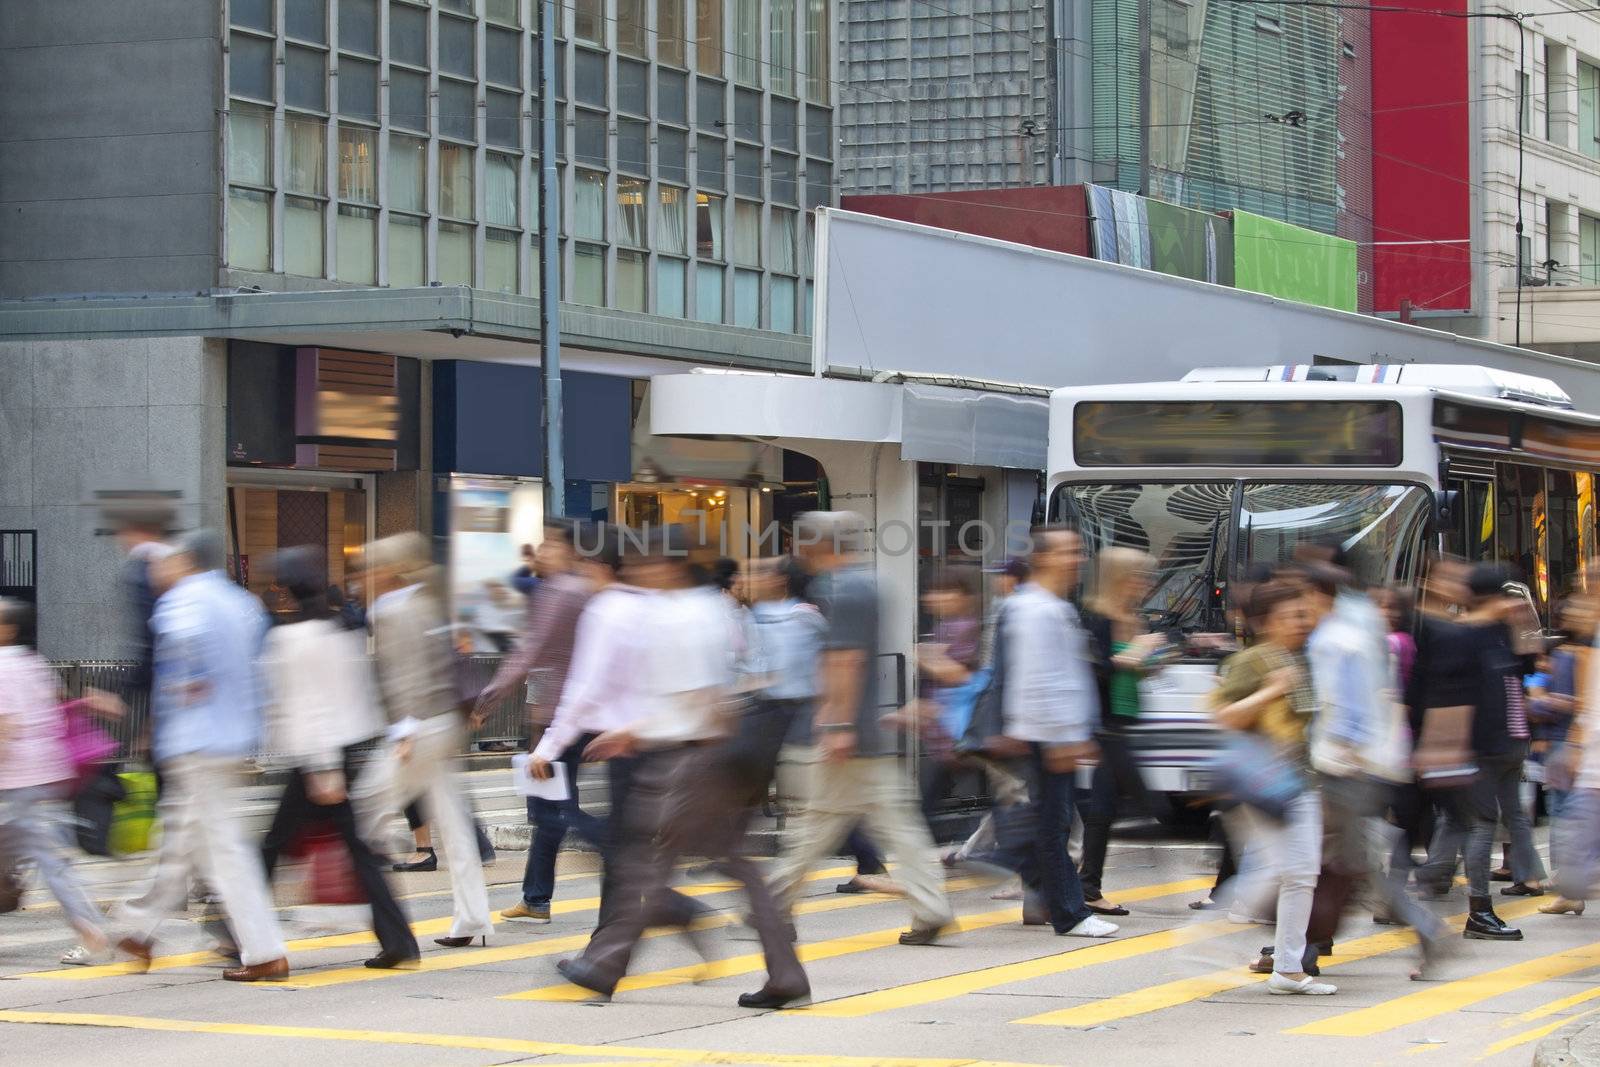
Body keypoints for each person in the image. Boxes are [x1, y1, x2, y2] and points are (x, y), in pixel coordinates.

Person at [556, 527, 810, 1009]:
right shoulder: (709, 608)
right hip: (715, 757)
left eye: (642, 565)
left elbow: (699, 701)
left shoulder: (683, 616)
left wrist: (634, 733)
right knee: (726, 866)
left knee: (642, 863)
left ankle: (605, 963)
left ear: (668, 565)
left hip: (691, 759)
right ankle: (785, 972)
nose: (634, 574)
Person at [765, 512, 955, 944]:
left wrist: (838, 723)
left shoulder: (839, 588)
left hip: (846, 733)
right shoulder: (868, 584)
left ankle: (772, 907)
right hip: (868, 733)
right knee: (899, 826)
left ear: (815, 544)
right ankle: (931, 909)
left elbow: (844, 660)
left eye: (799, 540)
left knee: (815, 826)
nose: (795, 548)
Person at [111, 530, 290, 981]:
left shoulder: (182, 603)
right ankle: (138, 928)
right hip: (233, 737)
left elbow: (182, 665)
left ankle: (265, 950)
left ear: (183, 563)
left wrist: (170, 709)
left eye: (162, 565)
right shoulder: (240, 603)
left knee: (222, 848)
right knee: (181, 839)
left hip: (196, 738)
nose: (155, 574)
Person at [255, 548, 419, 969]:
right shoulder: (341, 630)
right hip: (344, 751)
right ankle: (398, 940)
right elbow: (354, 698)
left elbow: (309, 706)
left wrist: (322, 767)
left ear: (286, 590)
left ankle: (241, 933)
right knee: (357, 851)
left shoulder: (291, 638)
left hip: (317, 759)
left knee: (273, 847)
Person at [963, 527, 1119, 941]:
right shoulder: (1036, 609)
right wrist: (1058, 738)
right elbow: (1033, 679)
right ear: (1046, 558)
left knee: (1048, 824)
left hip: (1054, 731)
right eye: (1070, 552)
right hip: (1047, 733)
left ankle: (1013, 864)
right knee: (1053, 825)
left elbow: (1065, 676)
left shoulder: (1050, 606)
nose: (1078, 559)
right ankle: (1067, 910)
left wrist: (1077, 732)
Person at [353, 533, 494, 950]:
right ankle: (472, 918)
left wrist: (404, 730)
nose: (362, 576)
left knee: (362, 811)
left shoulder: (392, 609)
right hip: (444, 723)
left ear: (387, 570)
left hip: (420, 728)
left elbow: (405, 674)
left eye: (368, 567)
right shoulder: (432, 601)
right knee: (453, 823)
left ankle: (333, 910)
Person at [475, 521, 602, 924]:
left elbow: (529, 650)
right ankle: (535, 898)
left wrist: (488, 697)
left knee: (554, 813)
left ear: (571, 552)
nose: (543, 551)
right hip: (566, 716)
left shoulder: (560, 592)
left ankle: (623, 861)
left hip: (559, 721)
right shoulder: (580, 591)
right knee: (550, 810)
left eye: (551, 543)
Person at [1211, 577, 1331, 995]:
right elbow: (1223, 717)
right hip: (1266, 782)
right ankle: (1209, 931)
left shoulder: (1296, 657)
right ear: (1265, 621)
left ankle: (1287, 967)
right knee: (1285, 873)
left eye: (1304, 613)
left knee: (1299, 875)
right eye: (1291, 616)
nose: (1301, 621)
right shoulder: (1255, 661)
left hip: (1299, 779)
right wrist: (1270, 692)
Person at [0, 598, 113, 963]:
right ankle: (92, 931)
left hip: (19, 781)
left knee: (51, 863)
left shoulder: (2, 668)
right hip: (49, 774)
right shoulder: (33, 664)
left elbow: (6, 728)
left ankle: (93, 934)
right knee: (48, 860)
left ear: (7, 628)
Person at [1078, 547, 1166, 916]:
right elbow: (1092, 673)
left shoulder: (1133, 618)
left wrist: (1153, 660)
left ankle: (1086, 886)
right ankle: (1083, 886)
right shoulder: (1095, 619)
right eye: (1138, 577)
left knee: (1104, 809)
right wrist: (1132, 655)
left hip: (1123, 724)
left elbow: (1137, 669)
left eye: (1147, 578)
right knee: (1151, 807)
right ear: (1118, 580)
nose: (1145, 585)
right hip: (1103, 726)